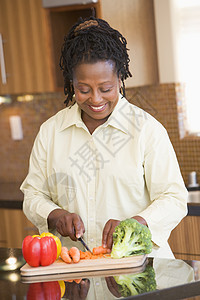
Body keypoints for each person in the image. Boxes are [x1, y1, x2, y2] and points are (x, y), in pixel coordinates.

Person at [20, 16, 188, 258]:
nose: (96, 99)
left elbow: (174, 198)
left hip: (138, 268)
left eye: (106, 89)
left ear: (120, 80)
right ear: (71, 84)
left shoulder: (146, 130)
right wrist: (55, 215)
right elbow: (34, 194)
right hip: (77, 269)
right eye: (84, 90)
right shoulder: (51, 132)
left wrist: (138, 222)